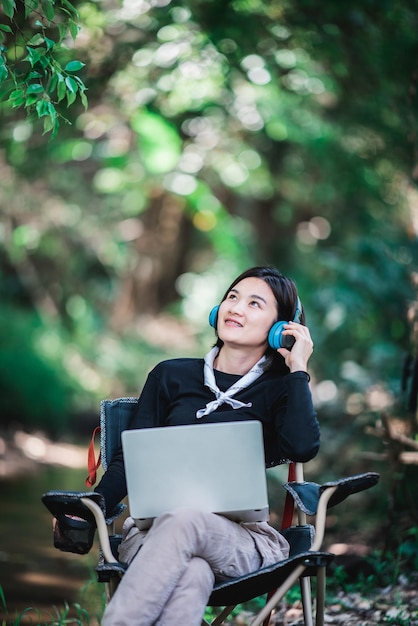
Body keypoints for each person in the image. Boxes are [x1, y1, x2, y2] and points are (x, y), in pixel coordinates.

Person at [95, 265, 320, 626]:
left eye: (254, 303)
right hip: (151, 535)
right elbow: (128, 463)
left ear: (281, 329)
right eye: (232, 297)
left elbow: (302, 448)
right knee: (194, 573)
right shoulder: (170, 375)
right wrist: (87, 508)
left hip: (242, 540)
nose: (236, 308)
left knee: (187, 520)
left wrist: (297, 370)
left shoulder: (281, 388)